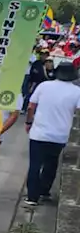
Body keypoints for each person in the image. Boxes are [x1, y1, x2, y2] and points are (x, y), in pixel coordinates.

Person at [25, 60, 80, 205]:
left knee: (35, 165)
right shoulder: (76, 91)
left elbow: (31, 106)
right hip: (60, 135)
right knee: (51, 163)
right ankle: (44, 190)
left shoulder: (44, 86)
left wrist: (29, 122)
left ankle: (32, 197)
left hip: (39, 132)